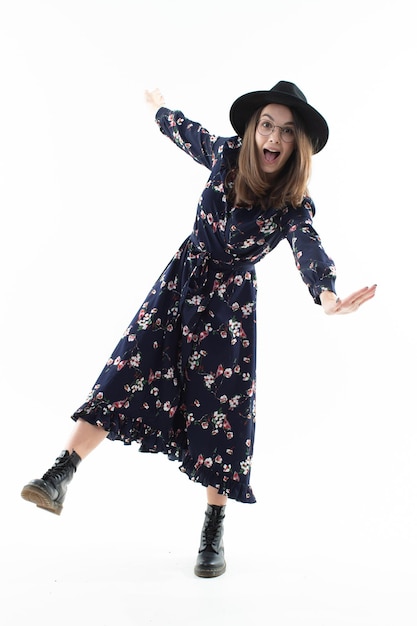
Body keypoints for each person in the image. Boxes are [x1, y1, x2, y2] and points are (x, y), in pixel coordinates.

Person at [21, 81, 376, 578]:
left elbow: (308, 248)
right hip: (181, 284)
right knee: (130, 367)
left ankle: (214, 526)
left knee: (223, 414)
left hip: (230, 312)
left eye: (287, 132)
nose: (273, 138)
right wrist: (158, 107)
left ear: (299, 145)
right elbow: (186, 132)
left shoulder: (292, 205)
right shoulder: (226, 157)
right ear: (254, 130)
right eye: (267, 125)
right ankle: (61, 473)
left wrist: (328, 294)